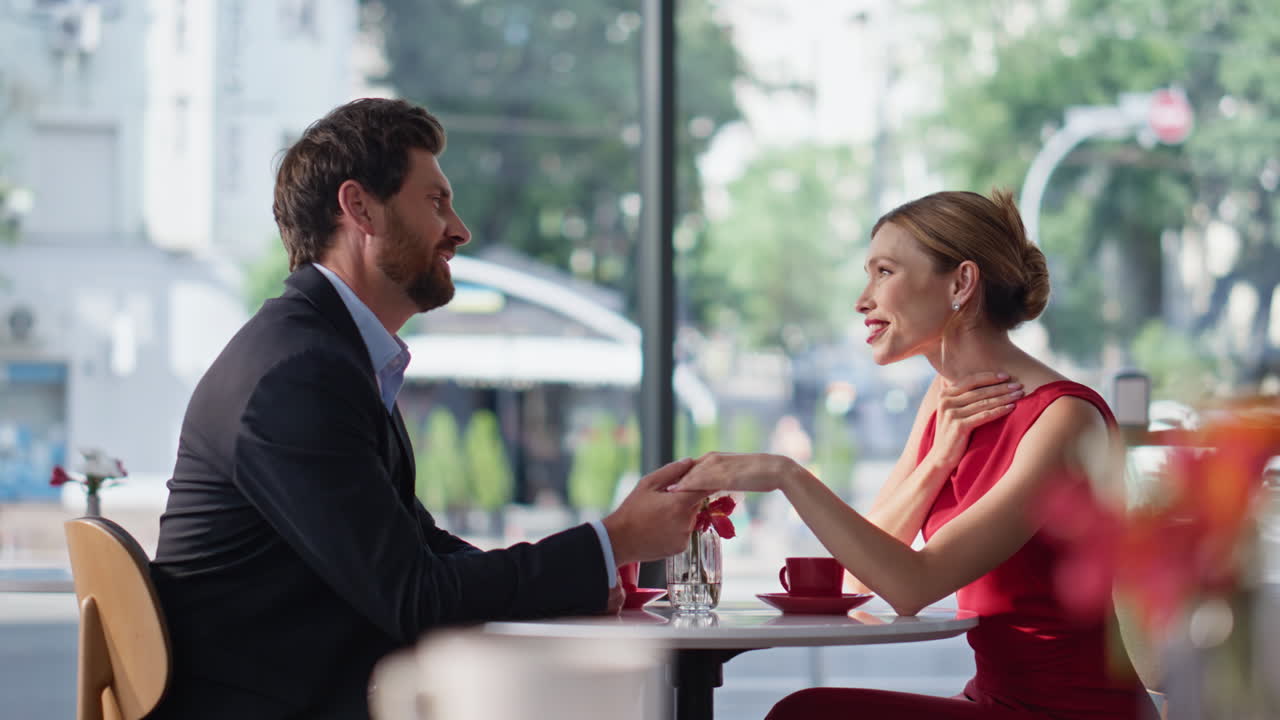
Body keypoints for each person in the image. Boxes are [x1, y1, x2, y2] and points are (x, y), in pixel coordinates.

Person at [148, 98, 706, 719]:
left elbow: (424, 549)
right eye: (436, 202)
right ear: (359, 208)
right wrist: (612, 541)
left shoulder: (319, 352)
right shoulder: (298, 373)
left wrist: (597, 565)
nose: (459, 230)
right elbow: (415, 596)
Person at [670, 190, 1158, 719]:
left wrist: (784, 472)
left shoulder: (1062, 417)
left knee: (810, 714)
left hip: (1074, 712)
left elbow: (910, 586)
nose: (862, 299)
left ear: (961, 283)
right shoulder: (943, 406)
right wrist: (937, 463)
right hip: (995, 701)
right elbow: (860, 578)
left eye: (884, 272)